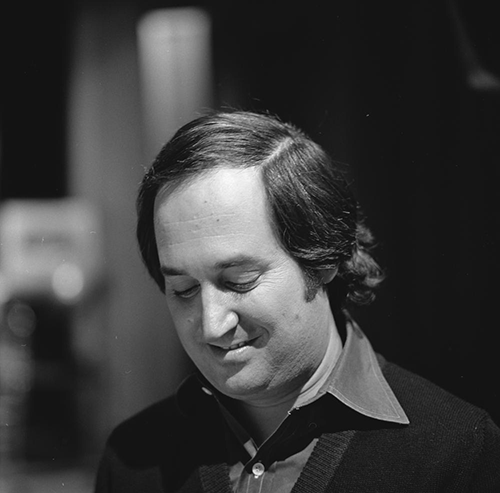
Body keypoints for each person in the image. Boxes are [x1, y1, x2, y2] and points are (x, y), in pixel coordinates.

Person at [95, 110, 500, 492]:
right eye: (184, 289)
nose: (212, 324)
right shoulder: (134, 459)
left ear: (323, 259)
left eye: (239, 281)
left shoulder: (455, 453)